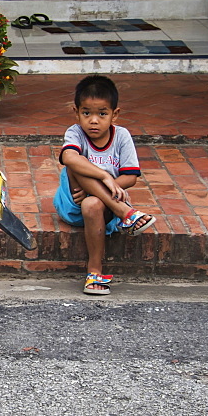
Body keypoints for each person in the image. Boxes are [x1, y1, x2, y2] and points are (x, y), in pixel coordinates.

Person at [52, 75, 156, 296]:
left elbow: (131, 177)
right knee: (75, 164)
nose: (93, 120)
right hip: (73, 206)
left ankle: (94, 272)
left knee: (92, 203)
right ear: (76, 112)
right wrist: (104, 176)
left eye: (102, 114)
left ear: (114, 114)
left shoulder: (122, 137)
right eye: (86, 113)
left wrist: (97, 190)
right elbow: (69, 158)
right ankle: (126, 213)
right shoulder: (75, 132)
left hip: (101, 208)